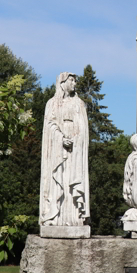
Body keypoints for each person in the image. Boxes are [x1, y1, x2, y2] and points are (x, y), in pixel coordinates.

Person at [40, 72, 90, 227]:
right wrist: (61, 138)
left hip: (75, 149)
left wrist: (75, 139)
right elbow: (49, 125)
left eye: (75, 81)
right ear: (62, 82)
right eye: (72, 80)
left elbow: (83, 127)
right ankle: (55, 217)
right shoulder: (52, 103)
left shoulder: (79, 104)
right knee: (58, 180)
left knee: (71, 181)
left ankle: (75, 218)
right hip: (58, 149)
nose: (74, 84)